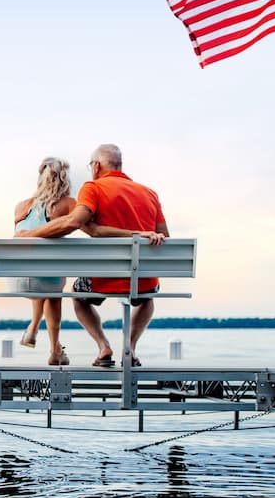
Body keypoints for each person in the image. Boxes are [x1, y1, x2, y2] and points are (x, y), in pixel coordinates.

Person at [16, 144, 168, 367]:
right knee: (148, 298)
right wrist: (140, 235)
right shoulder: (149, 193)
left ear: (96, 166)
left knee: (78, 295)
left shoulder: (93, 188)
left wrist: (29, 235)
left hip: (103, 278)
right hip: (144, 281)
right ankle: (130, 347)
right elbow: (164, 236)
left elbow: (73, 222)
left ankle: (103, 345)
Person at [13, 157, 76, 366]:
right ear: (65, 179)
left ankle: (33, 328)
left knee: (39, 269)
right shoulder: (68, 204)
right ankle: (54, 349)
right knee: (52, 287)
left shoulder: (21, 207)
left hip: (17, 281)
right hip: (48, 282)